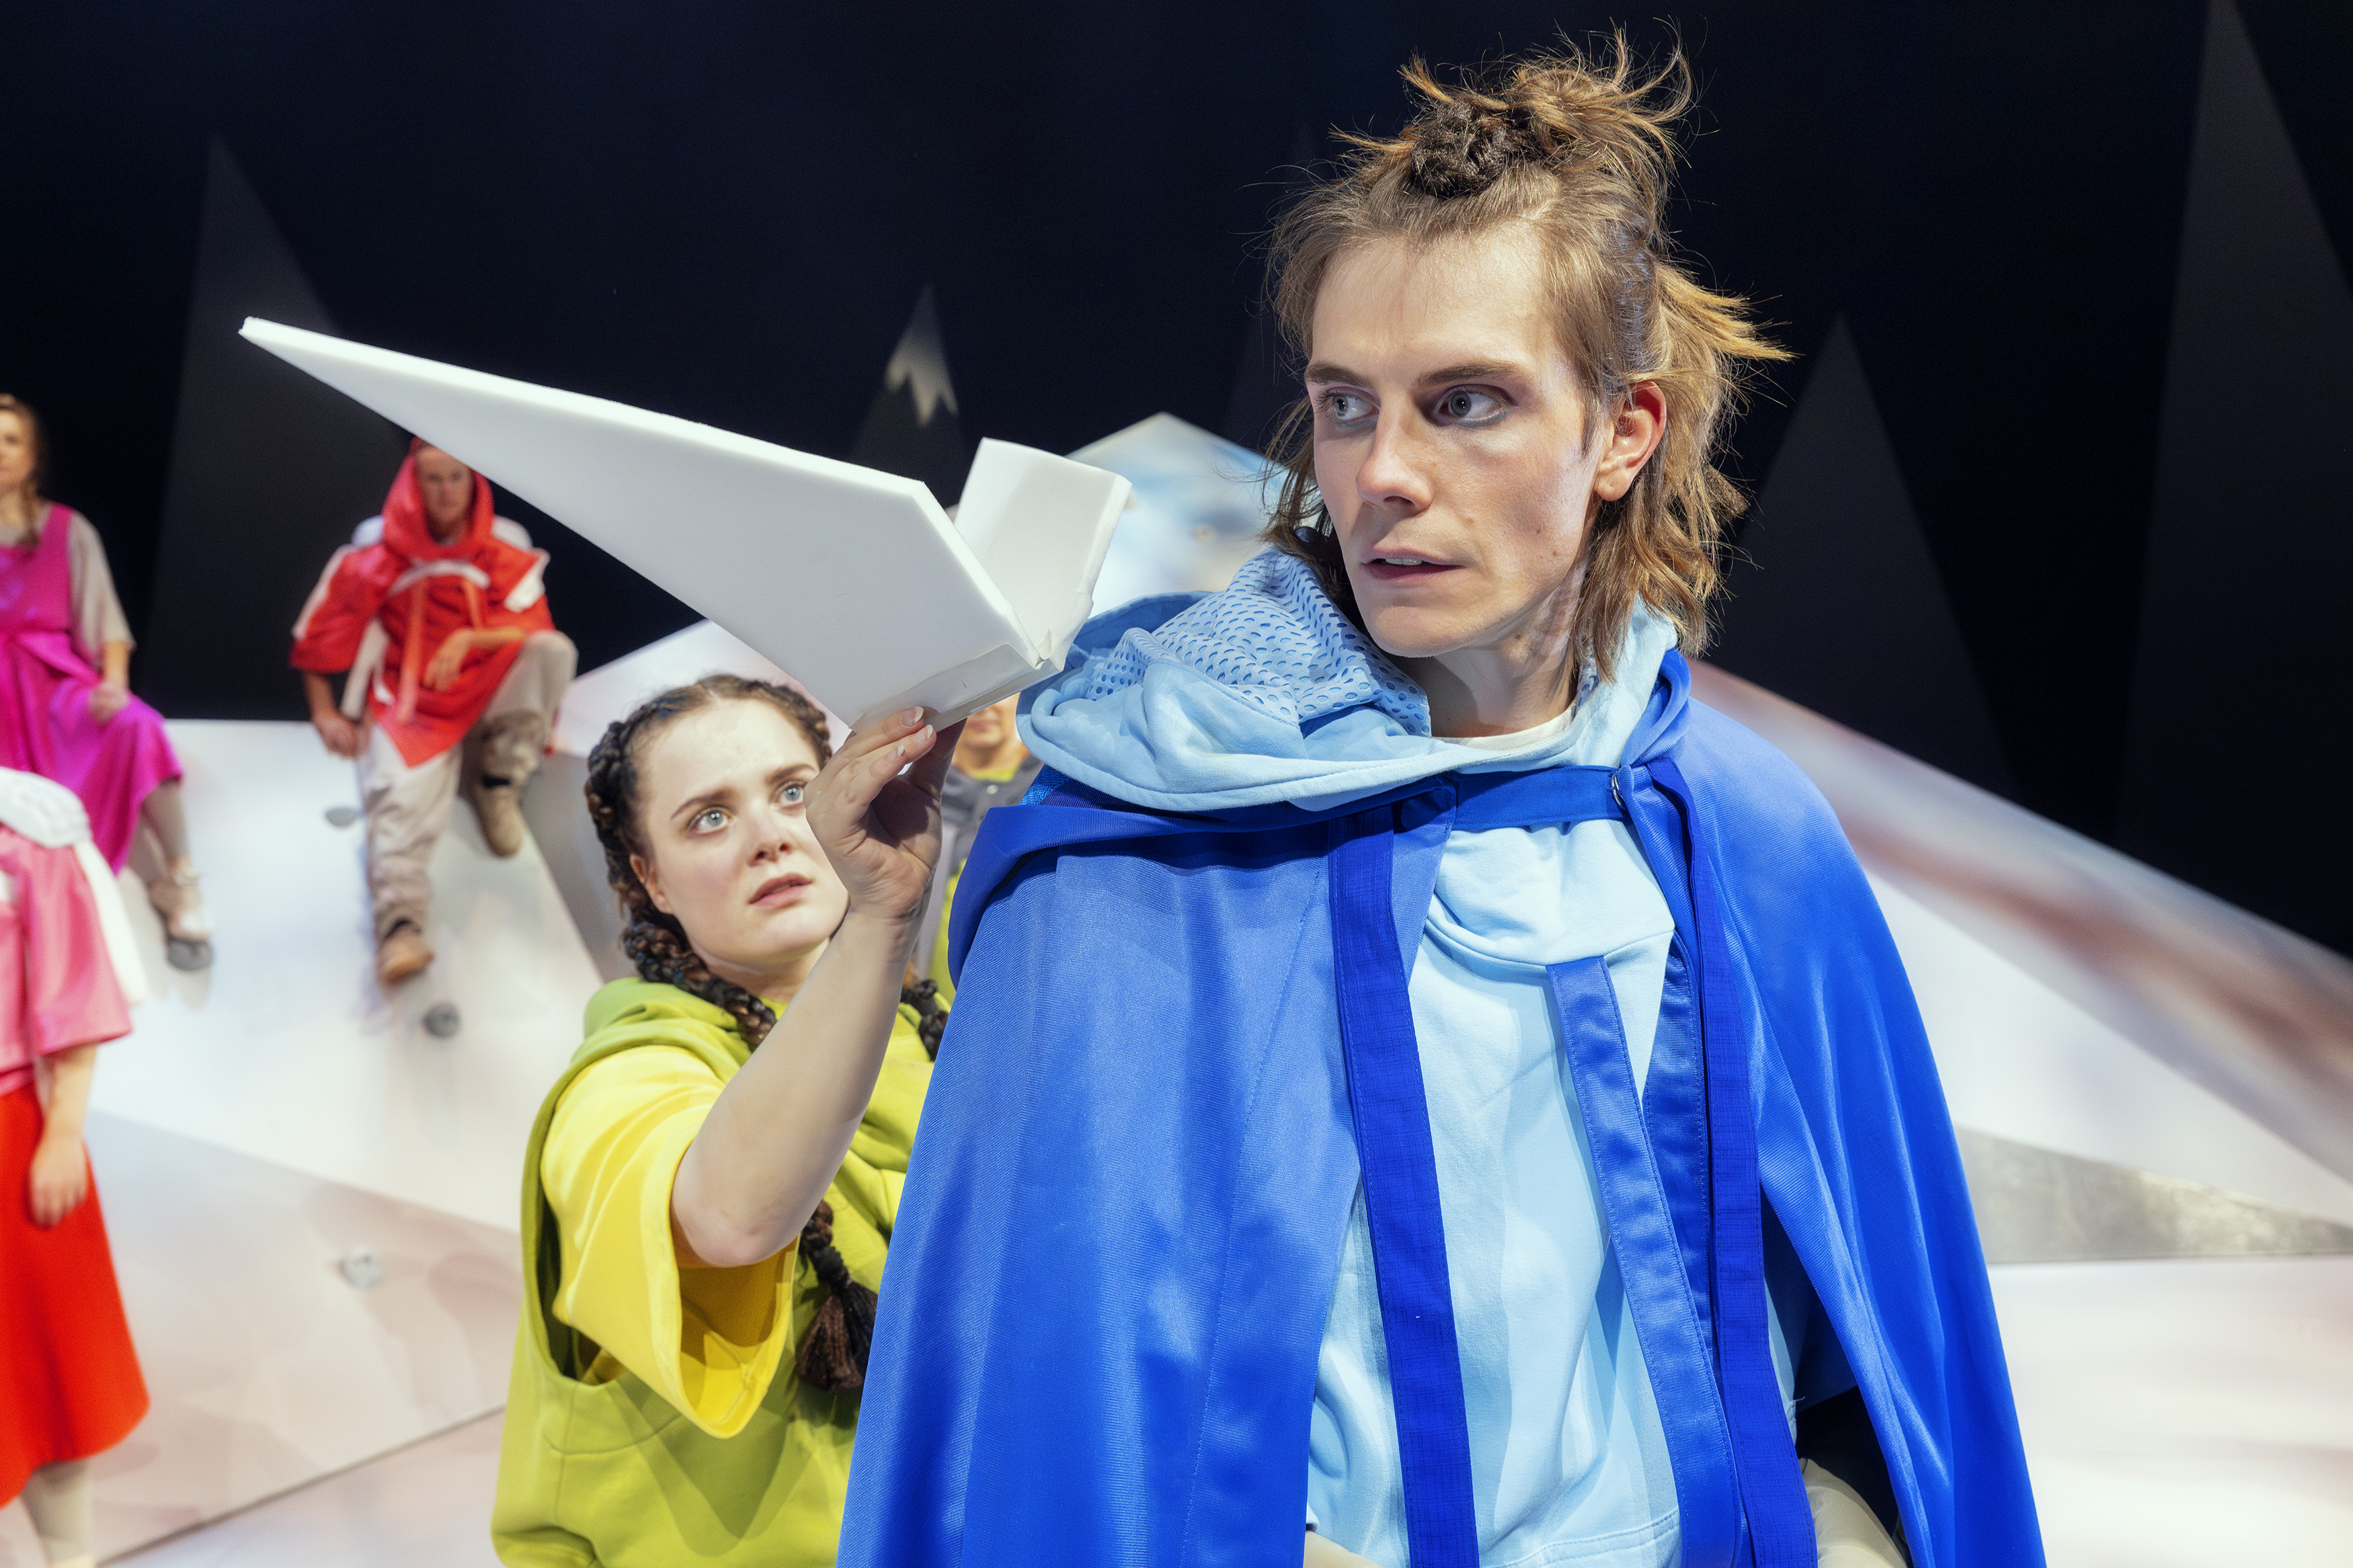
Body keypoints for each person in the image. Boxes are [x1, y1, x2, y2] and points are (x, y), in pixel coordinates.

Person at [841, 40, 2039, 1568]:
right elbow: (1061, 1410)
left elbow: (1860, 1342)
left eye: (1466, 402)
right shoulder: (1139, 842)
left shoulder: (1742, 826)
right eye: (1346, 405)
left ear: (1623, 431)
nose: (1386, 473)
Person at [491, 676, 951, 1567]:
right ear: (650, 879)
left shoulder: (938, 1027)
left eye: (794, 790)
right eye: (709, 817)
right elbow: (730, 1217)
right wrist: (879, 918)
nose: (770, 835)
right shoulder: (626, 1073)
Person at [290, 442, 577, 987]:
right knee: (399, 798)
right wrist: (324, 710)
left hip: (486, 686)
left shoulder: (499, 550)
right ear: (413, 485)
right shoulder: (381, 553)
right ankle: (400, 924)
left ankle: (498, 781)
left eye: (456, 477)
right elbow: (322, 631)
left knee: (552, 651)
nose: (446, 491)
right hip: (414, 699)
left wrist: (471, 637)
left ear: (474, 483)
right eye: (433, 479)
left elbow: (535, 627)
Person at [0, 395, 210, 971]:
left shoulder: (68, 530)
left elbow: (106, 623)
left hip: (49, 682)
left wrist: (114, 683)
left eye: (11, 440)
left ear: (34, 455)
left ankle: (180, 879)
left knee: (137, 724)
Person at [0, 770, 147, 1568]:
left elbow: (76, 987)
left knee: (47, 1379)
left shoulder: (27, 825)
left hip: (13, 1130)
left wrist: (61, 1130)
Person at [914, 693, 1041, 996]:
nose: (983, 706)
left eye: (999, 691)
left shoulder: (1049, 789)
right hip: (927, 1007)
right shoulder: (916, 796)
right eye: (966, 691)